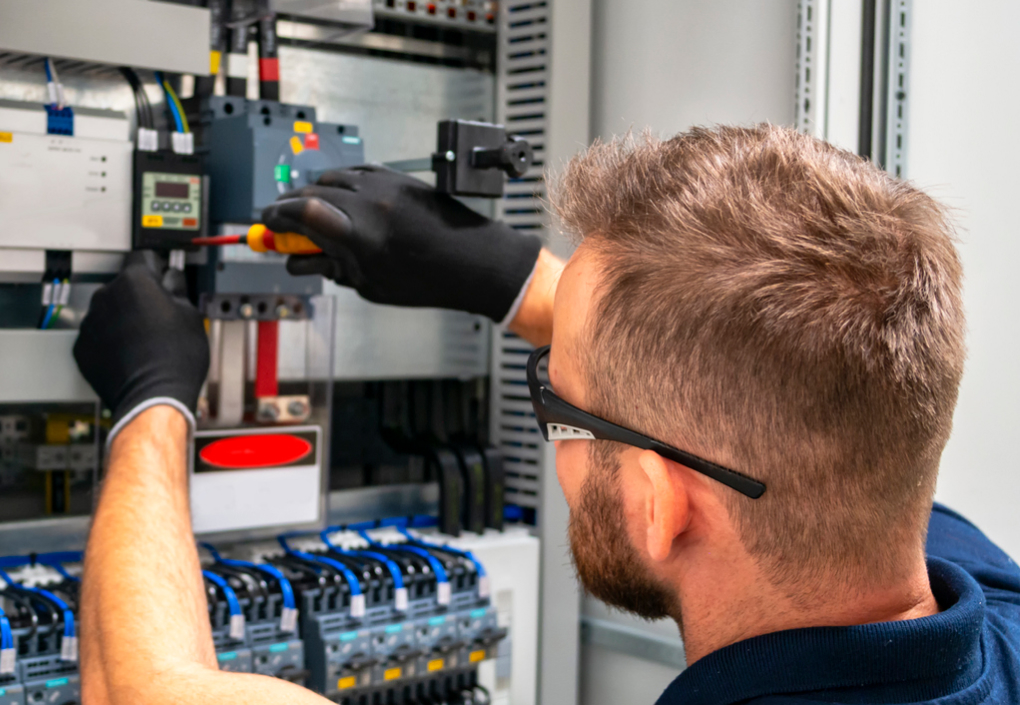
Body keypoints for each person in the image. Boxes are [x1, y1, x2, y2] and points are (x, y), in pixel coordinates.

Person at [71, 124, 1020, 705]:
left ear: (658, 500)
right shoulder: (987, 610)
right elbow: (788, 378)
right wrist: (511, 275)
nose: (552, 422)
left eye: (556, 397)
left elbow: (140, 689)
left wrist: (151, 402)